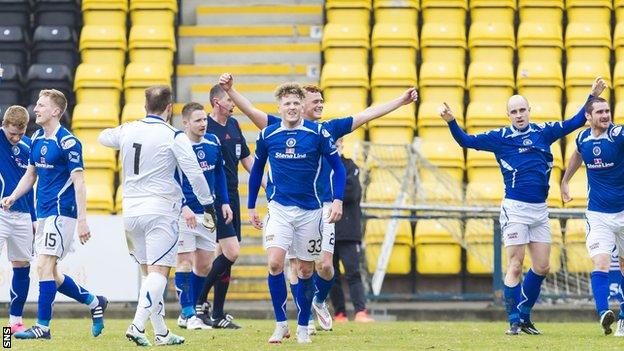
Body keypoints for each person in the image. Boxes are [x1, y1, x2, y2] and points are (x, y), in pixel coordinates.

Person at [219, 72, 417, 332]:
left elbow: (366, 115)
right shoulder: (279, 126)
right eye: (315, 101)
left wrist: (400, 102)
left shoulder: (329, 129)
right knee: (293, 265)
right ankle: (305, 318)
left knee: (324, 266)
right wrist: (232, 91)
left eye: (321, 101)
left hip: (322, 207)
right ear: (302, 104)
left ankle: (319, 300)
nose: (320, 105)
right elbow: (252, 111)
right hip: (288, 206)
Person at [439, 77, 607, 335]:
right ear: (508, 115)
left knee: (542, 267)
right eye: (514, 111)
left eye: (522, 110)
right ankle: (514, 321)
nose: (519, 115)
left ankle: (525, 316)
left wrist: (592, 96)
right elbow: (465, 141)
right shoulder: (500, 138)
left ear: (530, 111)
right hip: (515, 209)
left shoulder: (544, 132)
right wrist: (451, 121)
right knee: (515, 264)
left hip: (540, 210)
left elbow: (576, 121)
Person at [98, 86, 217, 346]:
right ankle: (137, 325)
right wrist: (208, 204)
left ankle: (161, 331)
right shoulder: (173, 136)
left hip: (130, 212)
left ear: (145, 106)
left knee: (148, 274)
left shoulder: (129, 129)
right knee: (159, 273)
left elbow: (103, 137)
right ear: (170, 107)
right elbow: (195, 174)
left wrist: (126, 129)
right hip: (160, 210)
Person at [1, 90, 108, 340]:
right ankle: (95, 302)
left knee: (42, 266)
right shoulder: (37, 137)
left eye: (40, 105)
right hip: (43, 213)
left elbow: (79, 182)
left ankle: (43, 327)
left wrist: (82, 220)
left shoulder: (68, 142)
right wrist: (13, 197)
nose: (35, 109)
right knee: (54, 273)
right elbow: (30, 175)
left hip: (63, 213)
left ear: (55, 111)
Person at [247, 83, 346, 344]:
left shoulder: (318, 133)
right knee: (275, 263)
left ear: (302, 107)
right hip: (278, 209)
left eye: (295, 103)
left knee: (304, 270)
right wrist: (250, 205)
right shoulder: (268, 134)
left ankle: (303, 327)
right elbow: (257, 171)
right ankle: (281, 324)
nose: (291, 107)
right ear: (279, 108)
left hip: (311, 212)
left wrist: (337, 199)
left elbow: (338, 168)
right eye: (286, 103)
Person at [560, 96, 624, 336]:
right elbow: (578, 154)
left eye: (607, 111)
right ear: (588, 117)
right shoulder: (583, 137)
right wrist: (565, 180)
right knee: (601, 262)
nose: (606, 115)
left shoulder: (617, 134)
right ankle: (603, 313)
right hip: (597, 215)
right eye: (600, 112)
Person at [173, 102, 239, 330]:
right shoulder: (177, 146)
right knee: (183, 262)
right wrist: (182, 206)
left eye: (204, 120)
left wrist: (225, 203)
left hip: (208, 214)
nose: (203, 124)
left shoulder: (213, 142)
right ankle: (187, 313)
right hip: (185, 213)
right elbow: (170, 179)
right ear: (185, 123)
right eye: (197, 121)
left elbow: (220, 173)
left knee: (203, 266)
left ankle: (192, 311)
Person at [193, 85, 255, 325]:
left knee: (224, 256)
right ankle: (198, 301)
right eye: (229, 100)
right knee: (232, 252)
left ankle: (217, 314)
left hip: (233, 195)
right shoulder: (204, 128)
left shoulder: (234, 124)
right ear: (217, 102)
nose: (233, 103)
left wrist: (264, 183)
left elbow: (246, 158)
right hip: (215, 197)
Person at [0, 106, 37, 334]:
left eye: (20, 134)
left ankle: (14, 322)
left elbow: (30, 185)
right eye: (11, 133)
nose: (15, 138)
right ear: (4, 125)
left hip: (23, 215)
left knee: (22, 266)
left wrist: (33, 217)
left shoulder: (28, 147)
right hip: (0, 213)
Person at [328, 138, 373, 323]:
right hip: (327, 229)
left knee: (353, 272)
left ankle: (360, 311)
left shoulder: (350, 166)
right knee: (331, 274)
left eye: (337, 141)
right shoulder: (322, 165)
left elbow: (352, 192)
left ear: (342, 143)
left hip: (348, 230)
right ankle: (340, 313)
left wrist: (328, 194)